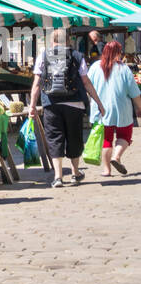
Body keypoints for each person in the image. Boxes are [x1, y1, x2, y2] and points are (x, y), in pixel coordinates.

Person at [30, 29, 105, 188]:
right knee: (74, 137)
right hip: (74, 103)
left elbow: (37, 84)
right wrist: (98, 102)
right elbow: (86, 82)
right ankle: (75, 173)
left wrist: (32, 106)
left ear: (52, 40)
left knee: (54, 137)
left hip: (51, 103)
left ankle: (58, 177)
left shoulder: (43, 56)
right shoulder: (77, 56)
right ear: (68, 40)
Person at [86, 40, 141, 178]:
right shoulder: (124, 69)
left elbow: (87, 86)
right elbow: (134, 92)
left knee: (106, 140)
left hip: (101, 110)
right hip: (121, 109)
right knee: (124, 136)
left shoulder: (94, 67)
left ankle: (106, 170)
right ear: (118, 53)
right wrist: (140, 106)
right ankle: (116, 157)